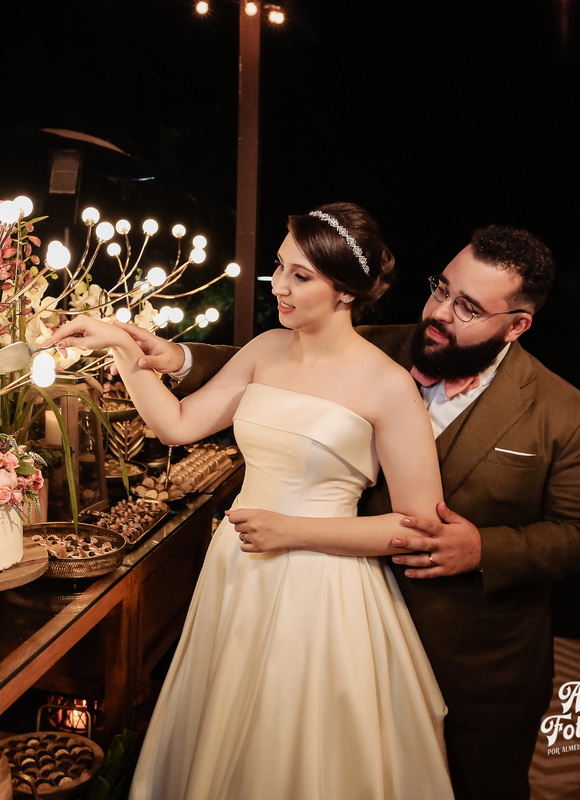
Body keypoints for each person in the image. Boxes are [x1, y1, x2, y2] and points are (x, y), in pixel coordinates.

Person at [133, 224, 580, 800]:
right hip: (326, 611)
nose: (439, 311)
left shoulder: (566, 415)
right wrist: (171, 356)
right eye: (441, 287)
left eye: (467, 307)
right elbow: (271, 365)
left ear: (517, 325)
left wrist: (484, 548)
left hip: (472, 650)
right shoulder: (376, 344)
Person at [44, 203, 455, 800]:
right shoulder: (266, 349)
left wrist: (293, 531)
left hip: (324, 587)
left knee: (295, 744)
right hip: (238, 571)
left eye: (301, 276)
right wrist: (121, 348)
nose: (280, 286)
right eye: (280, 268)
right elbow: (179, 425)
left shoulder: (388, 385)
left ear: (346, 292)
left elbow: (417, 527)